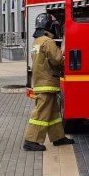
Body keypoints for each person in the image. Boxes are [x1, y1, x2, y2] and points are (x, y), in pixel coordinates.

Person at [23, 13, 73, 151]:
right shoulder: (48, 42)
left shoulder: (37, 41)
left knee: (53, 113)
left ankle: (58, 137)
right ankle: (31, 140)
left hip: (40, 82)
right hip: (47, 83)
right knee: (41, 113)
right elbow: (57, 60)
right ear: (49, 26)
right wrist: (68, 59)